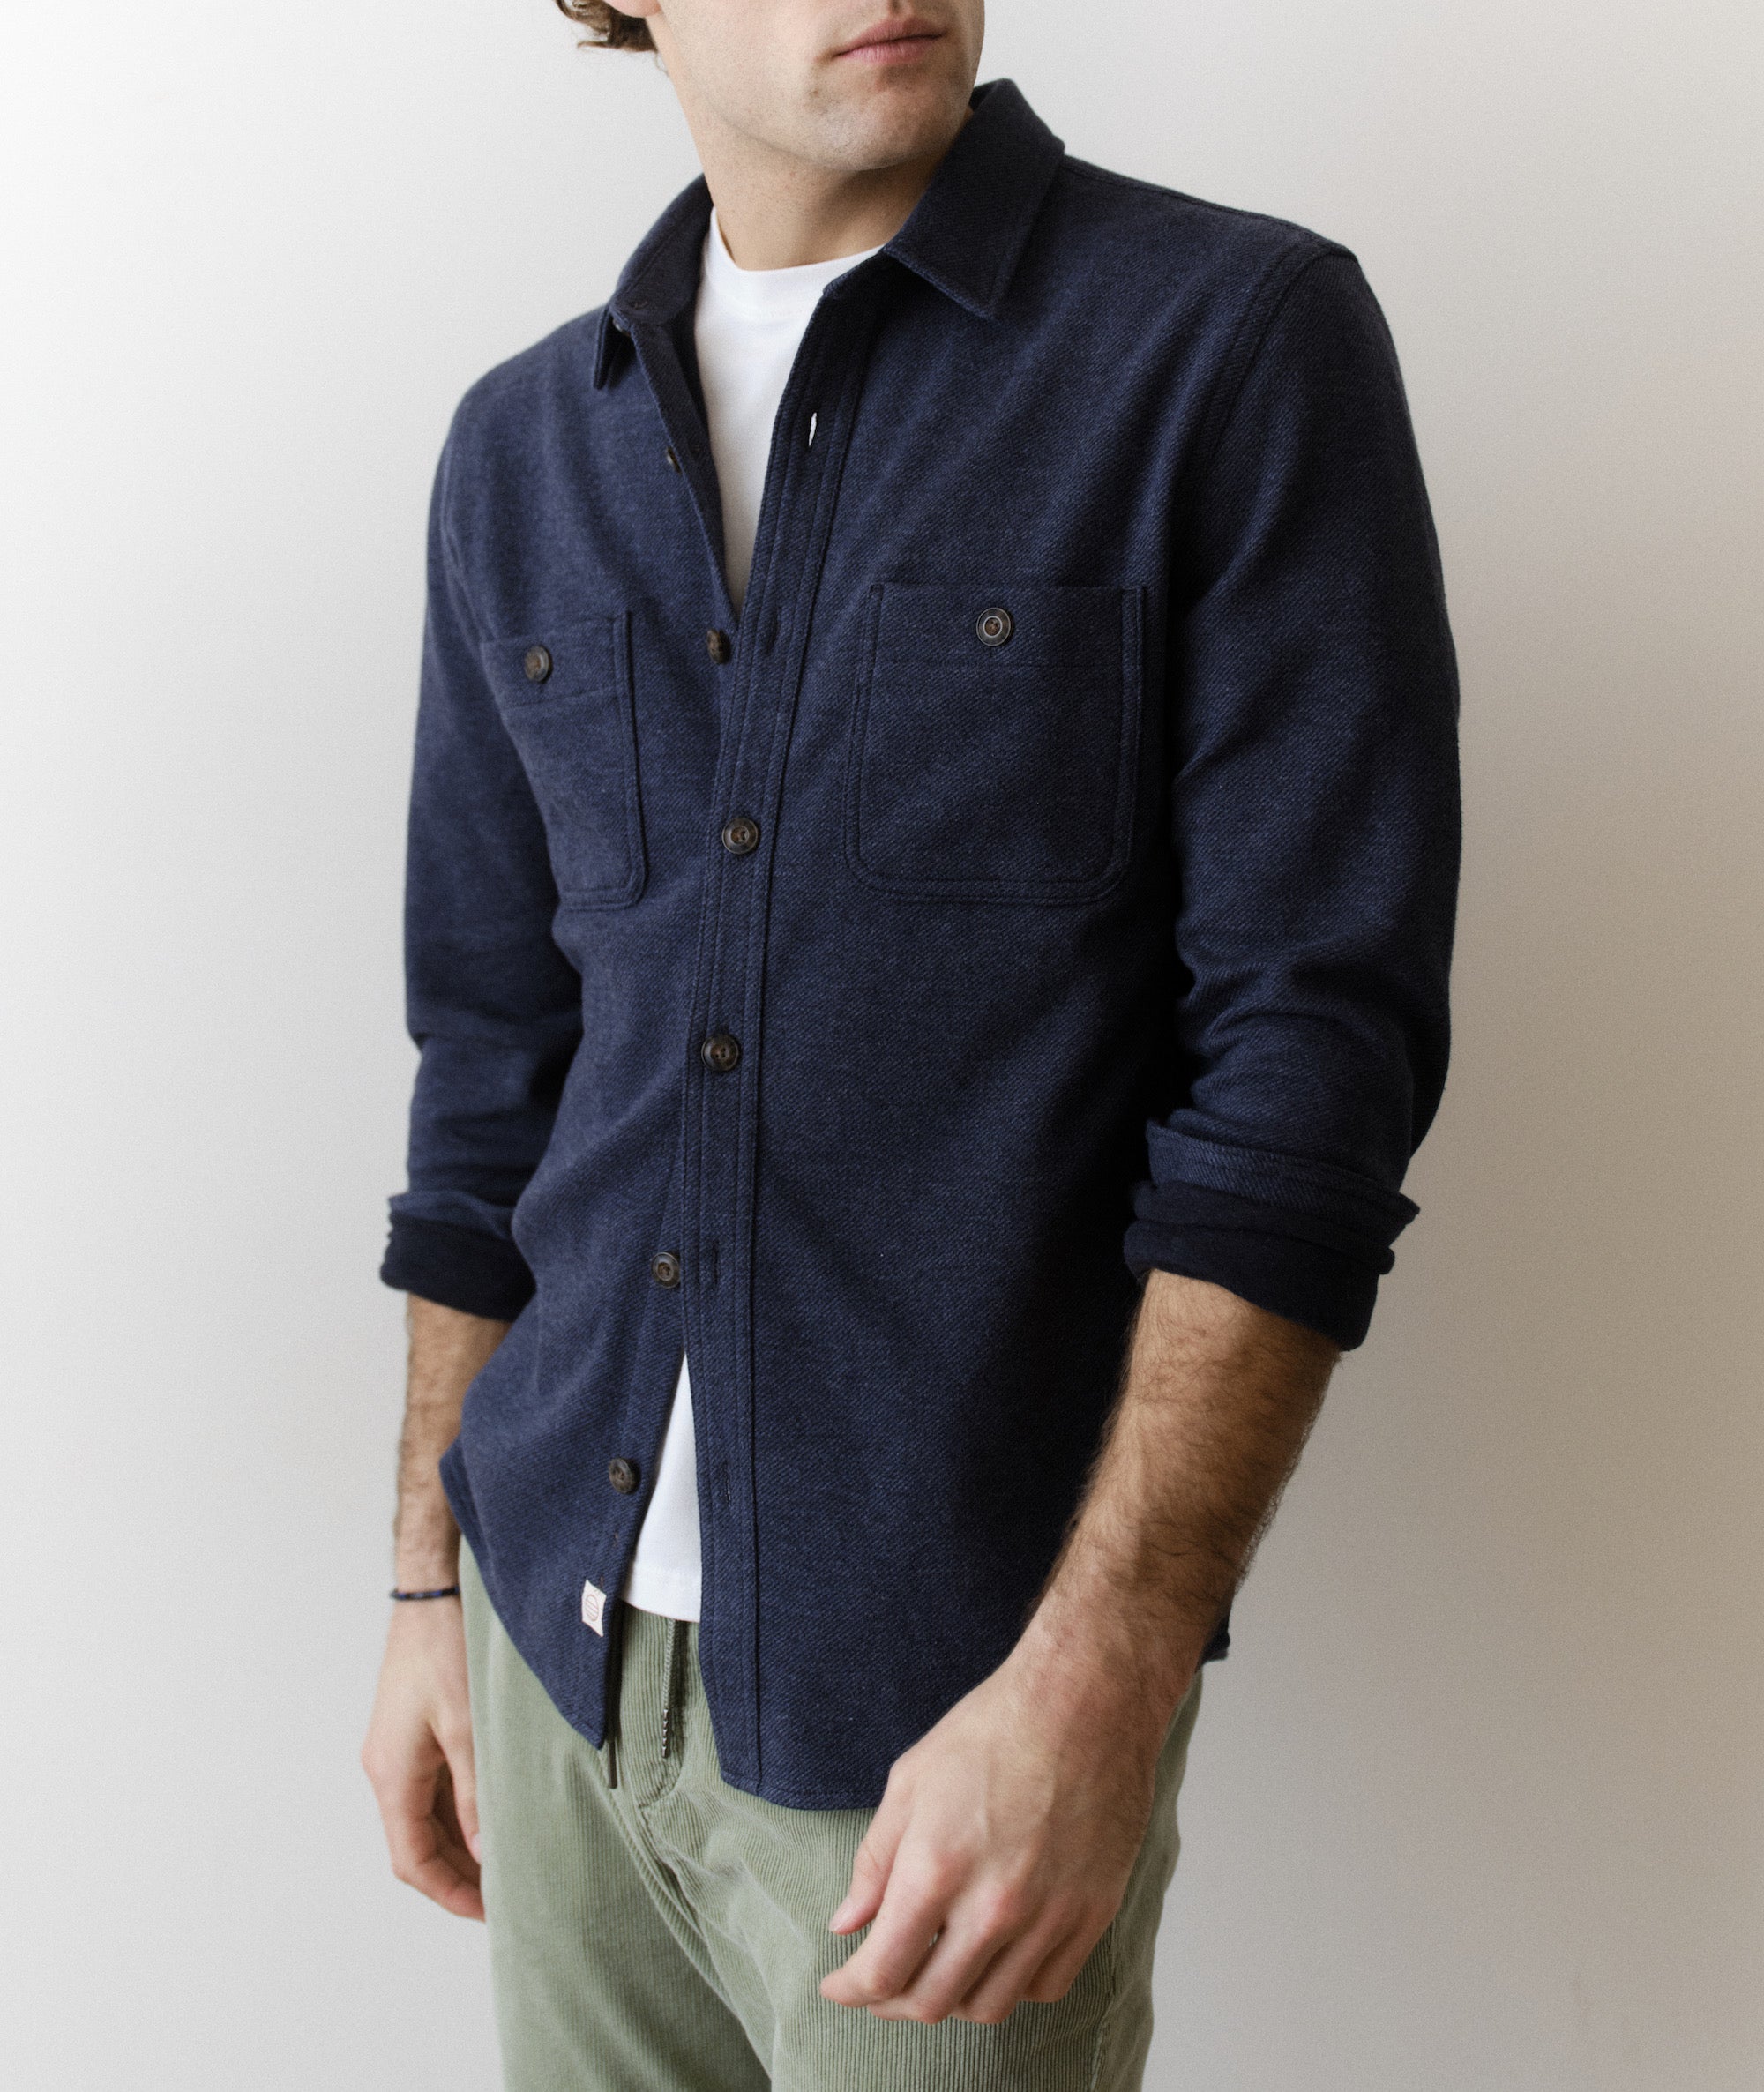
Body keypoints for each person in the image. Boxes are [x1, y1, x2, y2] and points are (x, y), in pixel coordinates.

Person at [361, 2, 1461, 2085]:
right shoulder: (521, 450)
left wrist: (1108, 1669)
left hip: (957, 1699)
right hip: (549, 1650)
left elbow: (1310, 1070)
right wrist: (429, 1592)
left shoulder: (1225, 346)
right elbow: (491, 1068)